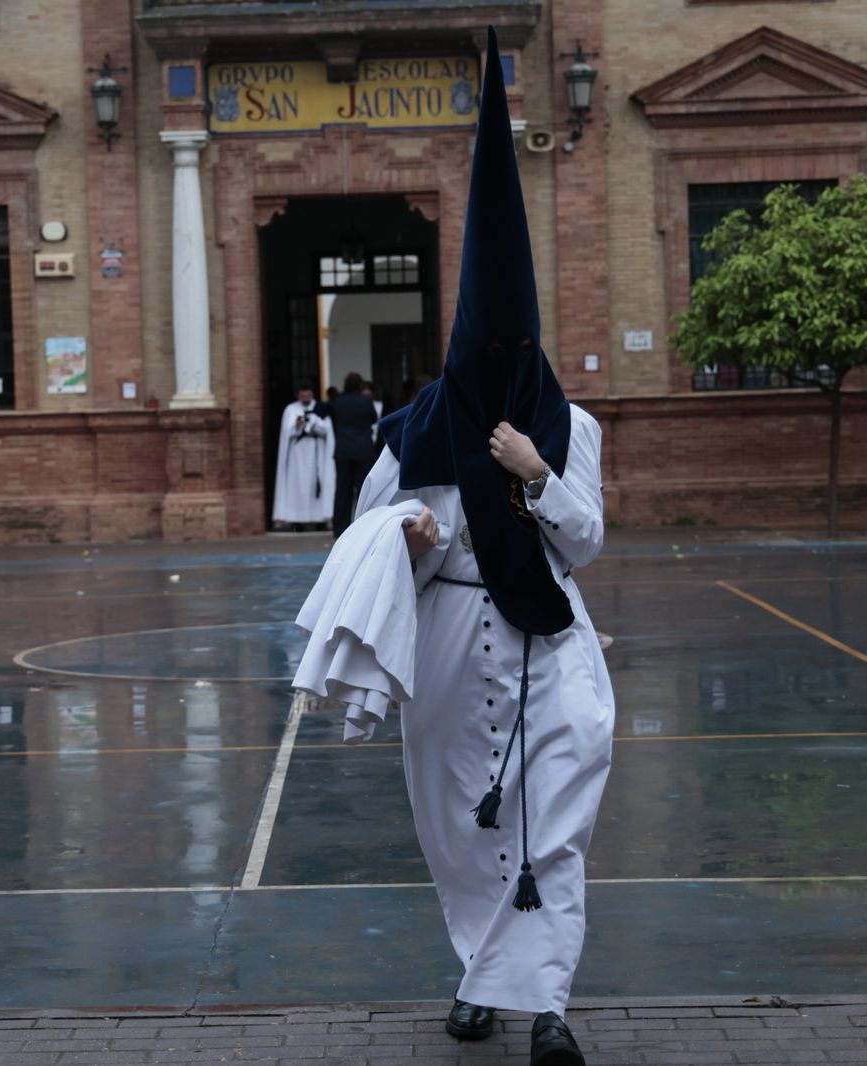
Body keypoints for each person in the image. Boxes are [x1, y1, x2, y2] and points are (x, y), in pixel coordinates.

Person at [302, 30, 612, 1066]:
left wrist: (533, 471)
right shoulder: (414, 429)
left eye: (511, 354)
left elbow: (588, 539)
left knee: (552, 823)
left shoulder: (572, 430)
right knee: (460, 831)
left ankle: (552, 1007)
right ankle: (483, 978)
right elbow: (368, 530)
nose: (496, 368)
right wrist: (412, 532)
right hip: (445, 637)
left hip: (550, 641)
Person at [272, 382, 335, 530]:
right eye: (303, 395)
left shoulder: (321, 408)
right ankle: (297, 519)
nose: (306, 398)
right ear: (298, 395)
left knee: (315, 483)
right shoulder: (291, 409)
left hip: (316, 451)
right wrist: (297, 425)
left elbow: (327, 431)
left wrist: (314, 423)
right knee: (297, 484)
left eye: (308, 395)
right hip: (297, 454)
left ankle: (319, 519)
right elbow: (286, 432)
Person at [329, 372, 379, 536]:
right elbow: (373, 418)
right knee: (364, 489)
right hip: (363, 450)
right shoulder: (365, 400)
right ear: (360, 386)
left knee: (343, 490)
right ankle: (365, 525)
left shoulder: (338, 401)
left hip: (343, 451)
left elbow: (334, 419)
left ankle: (339, 528)